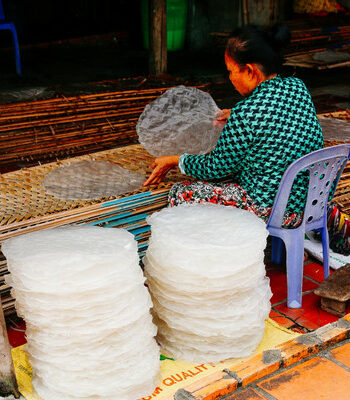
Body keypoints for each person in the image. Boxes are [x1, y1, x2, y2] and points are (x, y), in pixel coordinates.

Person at [144, 23, 325, 230]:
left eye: (231, 71)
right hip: (311, 204)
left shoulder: (246, 114)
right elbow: (276, 118)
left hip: (273, 211)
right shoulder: (297, 87)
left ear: (250, 71)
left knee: (181, 192)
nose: (230, 78)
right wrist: (238, 114)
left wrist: (177, 160)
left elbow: (215, 167)